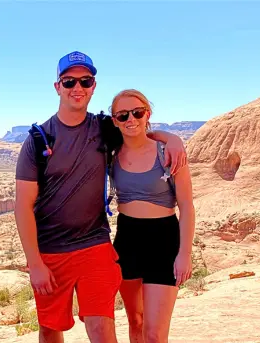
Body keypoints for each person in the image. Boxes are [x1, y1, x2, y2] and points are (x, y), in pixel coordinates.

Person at [14, 51, 188, 343]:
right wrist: (35, 263)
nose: (77, 88)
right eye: (69, 82)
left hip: (96, 245)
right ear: (58, 87)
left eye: (85, 80)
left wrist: (172, 138)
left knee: (101, 328)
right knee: (50, 329)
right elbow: (22, 206)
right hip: (51, 249)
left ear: (94, 86)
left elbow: (136, 129)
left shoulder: (104, 127)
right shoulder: (37, 140)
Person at [109, 89, 195, 343]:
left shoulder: (168, 153)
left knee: (155, 335)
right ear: (114, 120)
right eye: (123, 115)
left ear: (148, 114)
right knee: (135, 321)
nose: (131, 119)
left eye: (138, 112)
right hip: (127, 239)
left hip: (164, 240)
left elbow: (187, 206)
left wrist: (184, 254)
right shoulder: (111, 155)